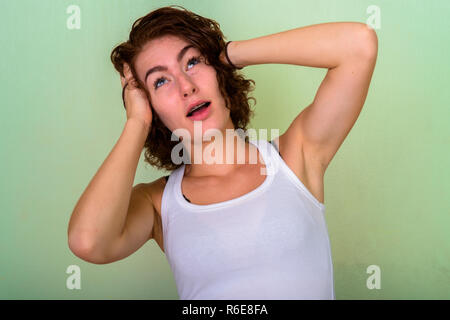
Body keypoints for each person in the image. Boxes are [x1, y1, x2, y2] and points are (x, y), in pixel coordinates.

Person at [67, 5, 378, 300]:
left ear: (219, 75)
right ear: (152, 107)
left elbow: (359, 45)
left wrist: (226, 54)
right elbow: (88, 241)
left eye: (192, 62)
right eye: (160, 81)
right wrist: (137, 121)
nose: (186, 86)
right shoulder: (158, 203)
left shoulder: (295, 157)